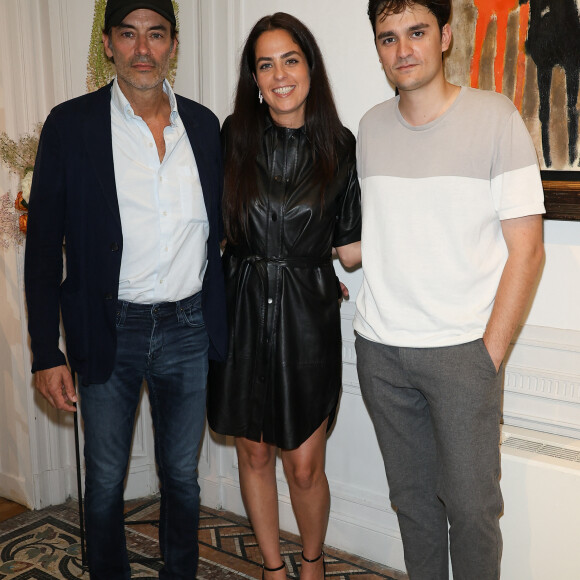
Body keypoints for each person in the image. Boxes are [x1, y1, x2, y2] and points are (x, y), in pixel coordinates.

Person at [24, 0, 227, 578]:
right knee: (107, 479)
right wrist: (45, 352)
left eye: (156, 35)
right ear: (109, 43)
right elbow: (42, 251)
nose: (143, 49)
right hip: (109, 327)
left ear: (173, 43)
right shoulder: (70, 126)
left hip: (188, 328)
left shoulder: (205, 127)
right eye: (129, 35)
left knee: (183, 478)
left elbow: (221, 230)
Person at [354, 1, 545, 579]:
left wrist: (488, 355)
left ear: (445, 36)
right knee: (412, 508)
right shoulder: (369, 127)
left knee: (472, 511)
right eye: (388, 38)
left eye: (416, 33)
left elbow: (528, 250)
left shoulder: (496, 117)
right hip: (381, 352)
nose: (402, 49)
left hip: (464, 353)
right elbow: (390, 233)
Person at [207, 12, 361, 580]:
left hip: (306, 318)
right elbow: (209, 226)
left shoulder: (342, 146)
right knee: (253, 453)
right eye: (265, 64)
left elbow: (352, 248)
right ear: (254, 77)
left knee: (302, 466)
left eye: (290, 60)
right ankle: (273, 568)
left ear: (310, 67)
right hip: (242, 310)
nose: (279, 75)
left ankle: (312, 562)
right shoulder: (231, 137)